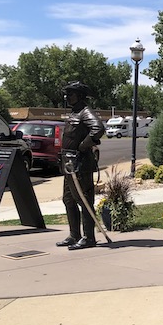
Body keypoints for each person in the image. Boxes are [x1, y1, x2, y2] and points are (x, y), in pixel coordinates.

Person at [56, 81, 105, 251]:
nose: (67, 97)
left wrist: (83, 146)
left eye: (71, 93)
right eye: (67, 94)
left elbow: (98, 128)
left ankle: (88, 237)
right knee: (68, 199)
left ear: (81, 96)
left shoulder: (85, 112)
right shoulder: (74, 112)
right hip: (69, 164)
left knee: (84, 200)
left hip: (80, 165)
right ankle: (74, 234)